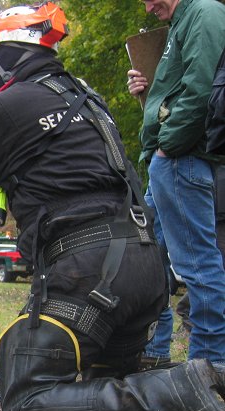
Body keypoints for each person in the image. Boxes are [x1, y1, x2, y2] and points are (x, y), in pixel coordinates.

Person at [0, 2, 225, 411]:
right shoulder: (84, 96)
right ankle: (206, 377)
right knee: (91, 381)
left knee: (25, 400)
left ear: (4, 57)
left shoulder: (12, 105)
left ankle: (178, 390)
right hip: (142, 269)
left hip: (91, 272)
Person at [126, 0, 225, 367]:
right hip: (165, 162)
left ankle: (210, 368)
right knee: (147, 260)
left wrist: (169, 145)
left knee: (199, 266)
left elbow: (202, 89)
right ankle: (153, 352)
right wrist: (149, 93)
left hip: (181, 159)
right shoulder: (181, 21)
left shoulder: (205, 12)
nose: (148, 6)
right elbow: (183, 88)